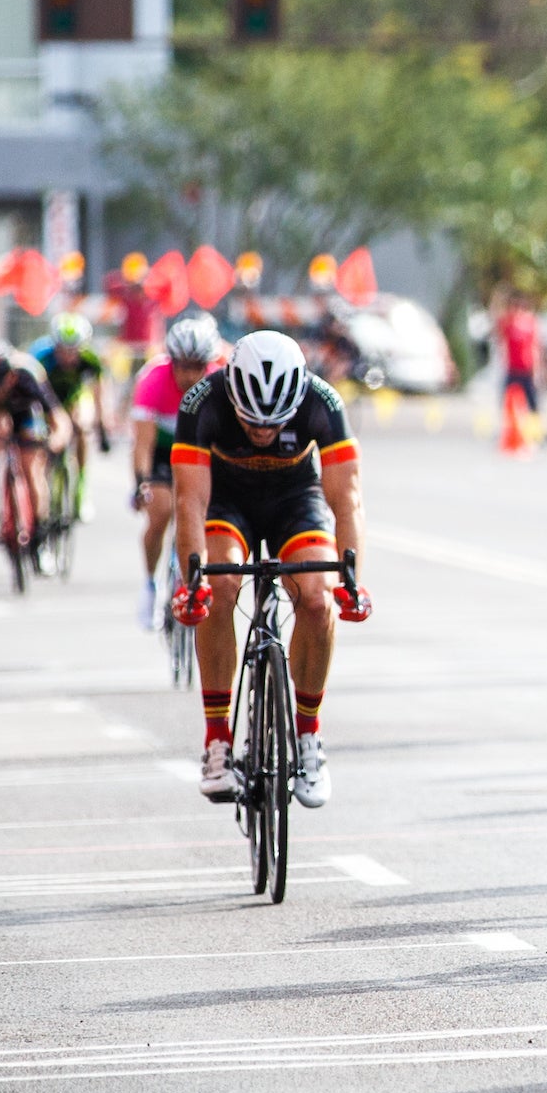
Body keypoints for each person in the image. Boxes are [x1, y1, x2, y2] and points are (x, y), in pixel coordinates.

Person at [169, 331, 370, 808]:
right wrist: (191, 583)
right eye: (251, 423)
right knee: (217, 586)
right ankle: (217, 741)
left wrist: (351, 581)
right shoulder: (202, 403)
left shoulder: (323, 401)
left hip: (294, 500)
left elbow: (347, 499)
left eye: (273, 425)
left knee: (317, 601)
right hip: (226, 500)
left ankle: (307, 737)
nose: (262, 433)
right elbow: (190, 502)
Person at [129, 314, 223, 630]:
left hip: (201, 451)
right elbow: (142, 444)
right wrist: (141, 483)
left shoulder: (221, 380)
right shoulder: (153, 380)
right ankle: (149, 584)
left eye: (198, 366)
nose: (189, 374)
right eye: (182, 365)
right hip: (162, 452)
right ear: (172, 361)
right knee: (161, 510)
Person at [0, 343, 74, 562]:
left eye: (2, 385)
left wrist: (54, 442)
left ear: (11, 377)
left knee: (31, 467)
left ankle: (39, 534)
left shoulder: (28, 376)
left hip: (25, 413)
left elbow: (59, 418)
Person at [29, 312, 107, 507]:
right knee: (44, 440)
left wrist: (102, 428)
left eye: (74, 350)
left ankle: (81, 483)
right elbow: (31, 392)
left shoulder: (90, 360)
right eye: (63, 350)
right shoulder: (40, 356)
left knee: (82, 424)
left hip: (74, 397)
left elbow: (99, 395)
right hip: (47, 401)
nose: (68, 356)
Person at [494, 291, 544, 453]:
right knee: (508, 403)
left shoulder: (530, 322)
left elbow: (537, 346)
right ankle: (510, 434)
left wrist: (539, 370)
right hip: (512, 369)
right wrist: (498, 297)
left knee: (533, 404)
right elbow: (495, 326)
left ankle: (535, 436)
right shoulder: (507, 322)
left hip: (527, 369)